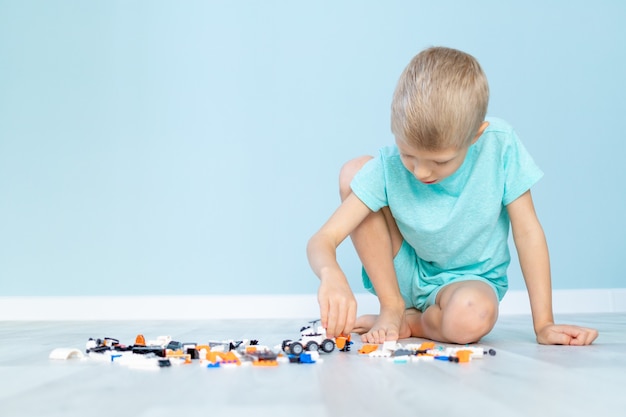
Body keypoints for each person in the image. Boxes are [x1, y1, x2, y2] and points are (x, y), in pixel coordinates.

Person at [306, 46, 598, 346]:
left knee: (472, 315)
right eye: (408, 155)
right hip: (403, 273)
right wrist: (331, 274)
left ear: (476, 136)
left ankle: (414, 322)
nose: (420, 172)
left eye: (440, 161)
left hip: (469, 285)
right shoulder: (389, 169)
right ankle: (393, 307)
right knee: (355, 171)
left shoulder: (501, 146)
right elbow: (322, 239)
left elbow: (528, 232)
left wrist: (544, 324)